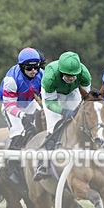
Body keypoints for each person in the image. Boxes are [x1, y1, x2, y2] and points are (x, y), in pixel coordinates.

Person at [33, 51, 92, 181]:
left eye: (73, 75)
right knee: (54, 127)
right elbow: (49, 103)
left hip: (72, 92)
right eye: (67, 75)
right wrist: (63, 111)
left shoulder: (84, 74)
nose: (71, 78)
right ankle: (42, 164)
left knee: (82, 122)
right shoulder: (50, 77)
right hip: (53, 96)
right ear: (60, 71)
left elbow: (86, 98)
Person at [0, 47, 44, 184]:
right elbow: (9, 106)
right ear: (21, 67)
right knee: (18, 132)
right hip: (11, 105)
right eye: (29, 68)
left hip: (29, 102)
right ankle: (11, 168)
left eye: (36, 67)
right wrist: (23, 116)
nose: (33, 71)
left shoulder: (42, 74)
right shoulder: (11, 80)